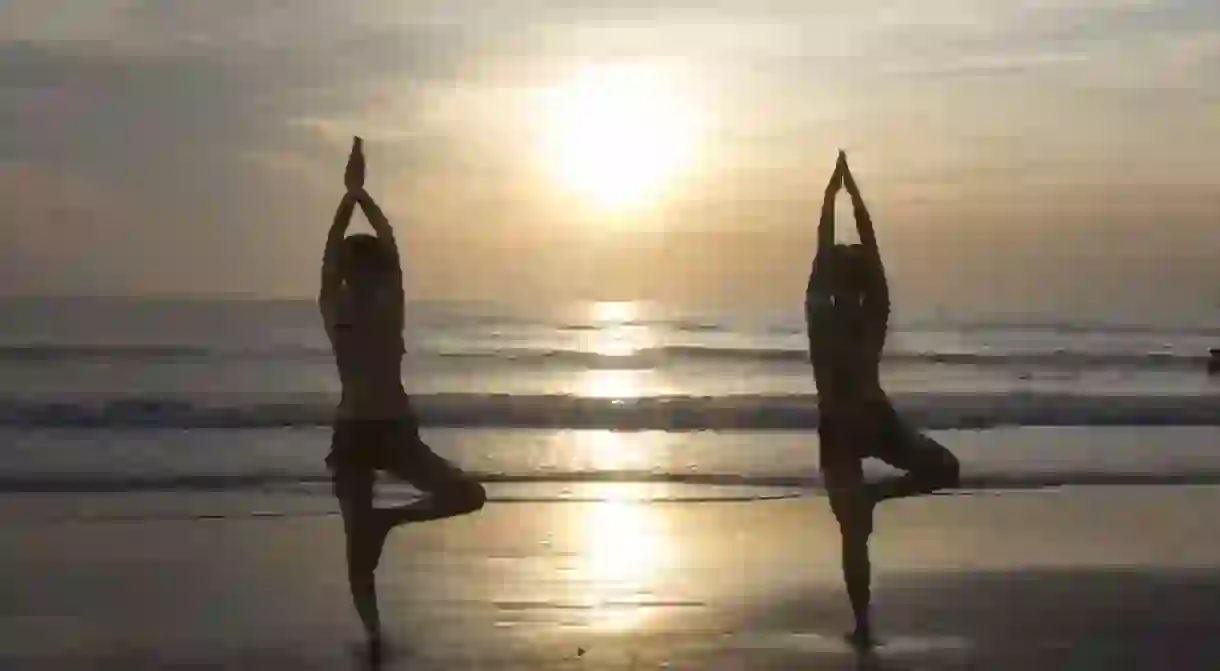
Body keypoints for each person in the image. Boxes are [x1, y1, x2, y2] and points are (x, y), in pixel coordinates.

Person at [320, 136, 486, 660]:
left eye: (365, 267)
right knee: (355, 552)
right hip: (351, 436)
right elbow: (331, 254)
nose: (358, 274)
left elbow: (389, 243)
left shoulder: (390, 303)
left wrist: (360, 196)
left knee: (467, 495)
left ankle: (391, 521)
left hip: (395, 431)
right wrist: (349, 199)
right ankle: (373, 638)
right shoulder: (333, 306)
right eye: (353, 268)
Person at [805, 150, 960, 649]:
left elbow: (830, 258)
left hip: (864, 423)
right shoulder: (854, 320)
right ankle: (863, 623)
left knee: (866, 522)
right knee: (856, 530)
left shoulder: (824, 323)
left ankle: (864, 620)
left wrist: (834, 197)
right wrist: (848, 199)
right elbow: (854, 259)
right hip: (856, 427)